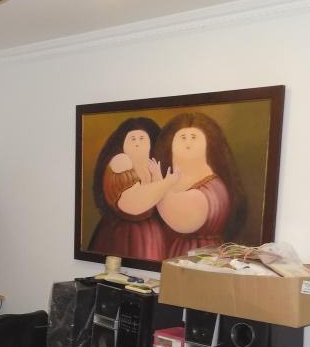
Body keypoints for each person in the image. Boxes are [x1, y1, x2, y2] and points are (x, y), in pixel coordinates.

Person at [153, 111, 246, 258]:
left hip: (198, 256)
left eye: (194, 137)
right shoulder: (171, 179)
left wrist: (158, 186)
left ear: (208, 143)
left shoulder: (212, 186)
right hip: (171, 253)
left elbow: (182, 219)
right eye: (183, 138)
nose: (188, 143)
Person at [87, 117, 175, 261]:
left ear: (150, 143)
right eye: (132, 139)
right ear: (123, 144)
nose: (137, 143)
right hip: (121, 234)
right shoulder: (120, 162)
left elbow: (161, 203)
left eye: (142, 139)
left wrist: (159, 179)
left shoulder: (153, 167)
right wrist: (167, 183)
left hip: (151, 235)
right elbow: (133, 203)